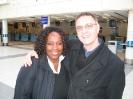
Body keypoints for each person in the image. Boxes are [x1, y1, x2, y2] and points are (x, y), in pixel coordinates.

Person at [24, 12, 125, 99]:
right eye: (79, 28)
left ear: (98, 28)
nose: (84, 31)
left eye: (89, 26)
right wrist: (36, 52)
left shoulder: (114, 65)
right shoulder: (72, 45)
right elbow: (51, 45)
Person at [14, 26, 70, 99]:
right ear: (43, 45)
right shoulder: (32, 64)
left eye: (59, 43)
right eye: (50, 43)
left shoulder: (66, 65)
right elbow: (21, 95)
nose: (55, 47)